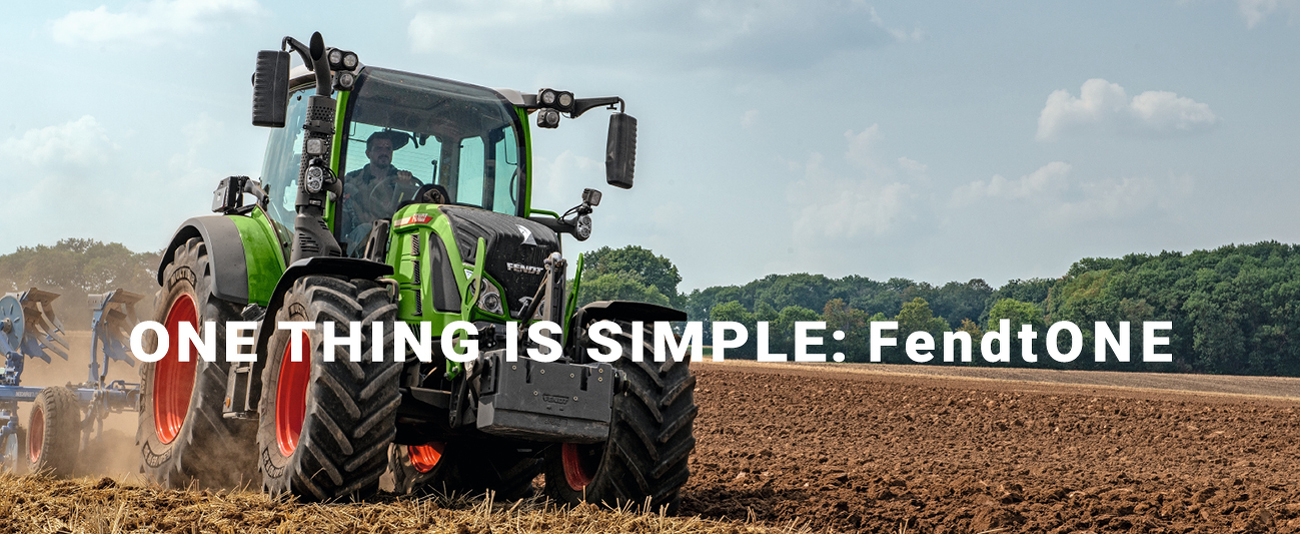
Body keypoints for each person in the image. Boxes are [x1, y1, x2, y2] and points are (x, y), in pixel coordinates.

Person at [341, 129, 423, 246]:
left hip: (393, 234)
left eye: (388, 149)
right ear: (368, 153)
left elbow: (410, 214)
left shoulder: (403, 180)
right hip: (360, 237)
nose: (384, 152)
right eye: (379, 148)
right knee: (365, 229)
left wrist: (405, 188)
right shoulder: (352, 180)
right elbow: (342, 217)